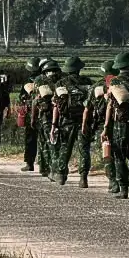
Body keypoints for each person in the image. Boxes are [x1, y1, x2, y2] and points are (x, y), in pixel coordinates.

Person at [103, 53, 129, 199]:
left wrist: (106, 127)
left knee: (119, 156)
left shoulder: (115, 82)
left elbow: (110, 106)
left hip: (121, 124)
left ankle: (124, 188)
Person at [50, 57, 90, 186]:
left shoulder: (61, 84)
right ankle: (83, 177)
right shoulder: (88, 82)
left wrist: (54, 124)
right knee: (84, 149)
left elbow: (56, 106)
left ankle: (61, 175)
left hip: (67, 120)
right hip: (85, 121)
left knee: (64, 148)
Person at [83, 63, 116, 189]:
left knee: (107, 153)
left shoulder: (96, 87)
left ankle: (112, 181)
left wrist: (84, 124)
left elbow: (87, 108)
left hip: (102, 124)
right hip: (119, 123)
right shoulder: (120, 85)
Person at [34, 60, 62, 178]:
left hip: (45, 116)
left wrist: (33, 117)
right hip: (61, 116)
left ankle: (48, 168)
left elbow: (35, 101)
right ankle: (51, 168)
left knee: (46, 142)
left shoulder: (39, 80)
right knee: (56, 143)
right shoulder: (62, 81)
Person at [18, 57, 40, 172]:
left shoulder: (27, 81)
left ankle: (29, 163)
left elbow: (21, 97)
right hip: (44, 113)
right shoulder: (45, 80)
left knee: (30, 138)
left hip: (30, 113)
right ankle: (44, 164)